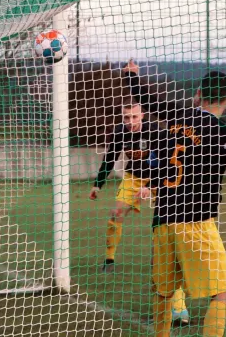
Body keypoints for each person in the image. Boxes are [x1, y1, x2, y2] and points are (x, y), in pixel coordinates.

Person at [124, 63, 226, 337]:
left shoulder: (176, 115)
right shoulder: (225, 132)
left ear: (198, 94)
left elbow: (147, 100)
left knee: (165, 292)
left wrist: (131, 77)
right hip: (195, 222)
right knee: (224, 292)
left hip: (162, 220)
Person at [89, 98, 190, 325]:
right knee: (116, 214)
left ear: (143, 115)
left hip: (158, 181)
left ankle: (179, 307)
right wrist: (98, 184)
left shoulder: (157, 132)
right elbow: (110, 158)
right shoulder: (120, 132)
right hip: (133, 179)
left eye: (134, 117)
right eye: (126, 117)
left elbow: (168, 162)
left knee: (165, 236)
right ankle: (109, 258)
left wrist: (151, 185)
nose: (130, 122)